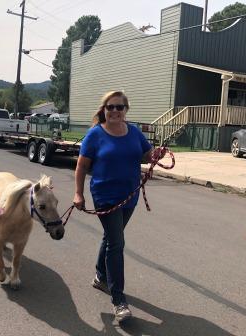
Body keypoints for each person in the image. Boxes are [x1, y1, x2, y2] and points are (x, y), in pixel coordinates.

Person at [73, 91, 153, 323]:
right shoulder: (95, 135)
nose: (115, 111)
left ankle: (100, 277)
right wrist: (78, 193)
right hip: (105, 196)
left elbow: (146, 155)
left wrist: (153, 155)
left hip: (130, 196)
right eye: (111, 107)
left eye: (120, 107)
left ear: (126, 109)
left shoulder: (134, 132)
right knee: (117, 243)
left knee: (111, 238)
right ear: (104, 110)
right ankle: (119, 301)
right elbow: (81, 166)